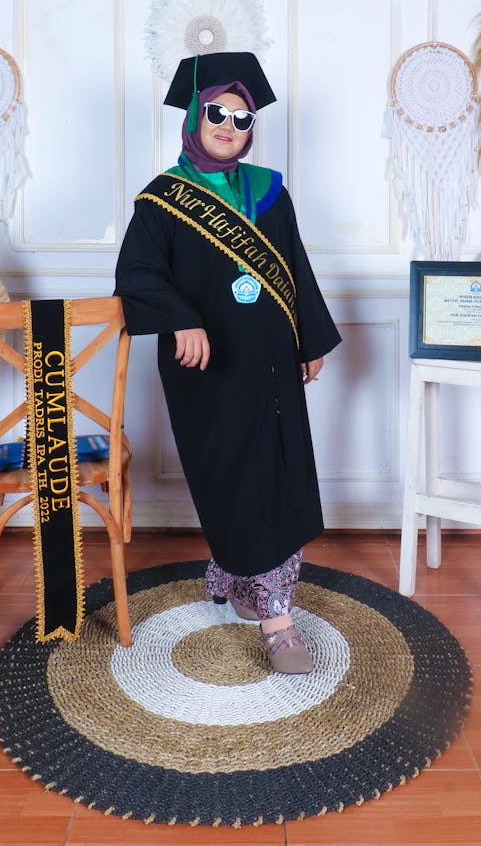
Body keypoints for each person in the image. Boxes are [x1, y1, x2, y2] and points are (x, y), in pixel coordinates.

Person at [115, 52, 341, 674]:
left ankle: (273, 613)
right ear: (195, 115)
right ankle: (247, 580)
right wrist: (181, 318)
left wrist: (310, 340)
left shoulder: (271, 190)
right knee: (232, 475)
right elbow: (136, 275)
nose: (230, 126)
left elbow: (294, 266)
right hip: (207, 373)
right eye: (217, 112)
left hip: (270, 364)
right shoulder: (162, 199)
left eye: (243, 119)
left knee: (279, 472)